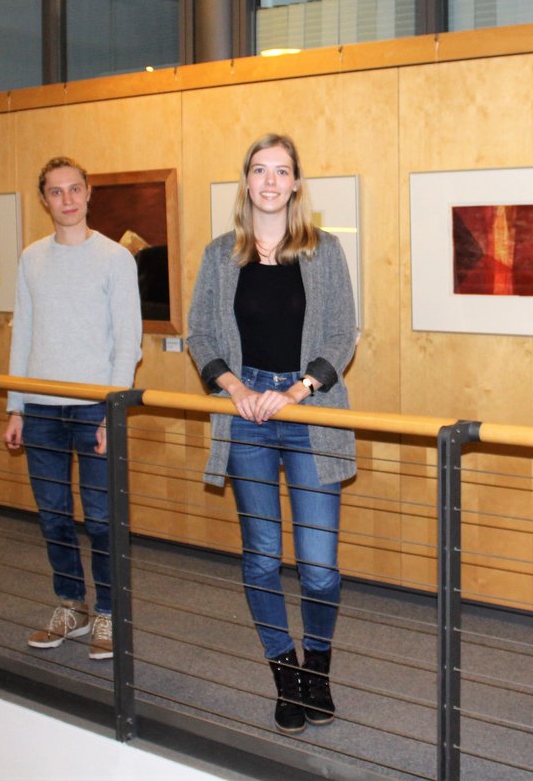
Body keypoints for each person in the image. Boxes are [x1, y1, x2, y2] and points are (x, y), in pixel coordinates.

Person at [186, 133, 357, 734]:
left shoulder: (324, 251)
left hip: (309, 410)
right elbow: (200, 336)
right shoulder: (218, 255)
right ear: (247, 180)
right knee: (261, 558)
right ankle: (286, 675)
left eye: (281, 171)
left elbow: (342, 336)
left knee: (319, 567)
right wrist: (238, 391)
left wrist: (293, 392)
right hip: (245, 415)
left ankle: (319, 670)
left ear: (295, 184)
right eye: (260, 170)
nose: (269, 181)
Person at [4, 157, 142, 661]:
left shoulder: (114, 259)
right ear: (45, 199)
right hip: (40, 410)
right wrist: (15, 406)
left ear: (88, 193)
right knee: (54, 517)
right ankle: (71, 605)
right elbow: (23, 335)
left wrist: (112, 412)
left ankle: (108, 610)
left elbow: (128, 343)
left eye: (75, 189)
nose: (67, 199)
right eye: (56, 192)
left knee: (103, 520)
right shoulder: (31, 258)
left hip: (94, 411)